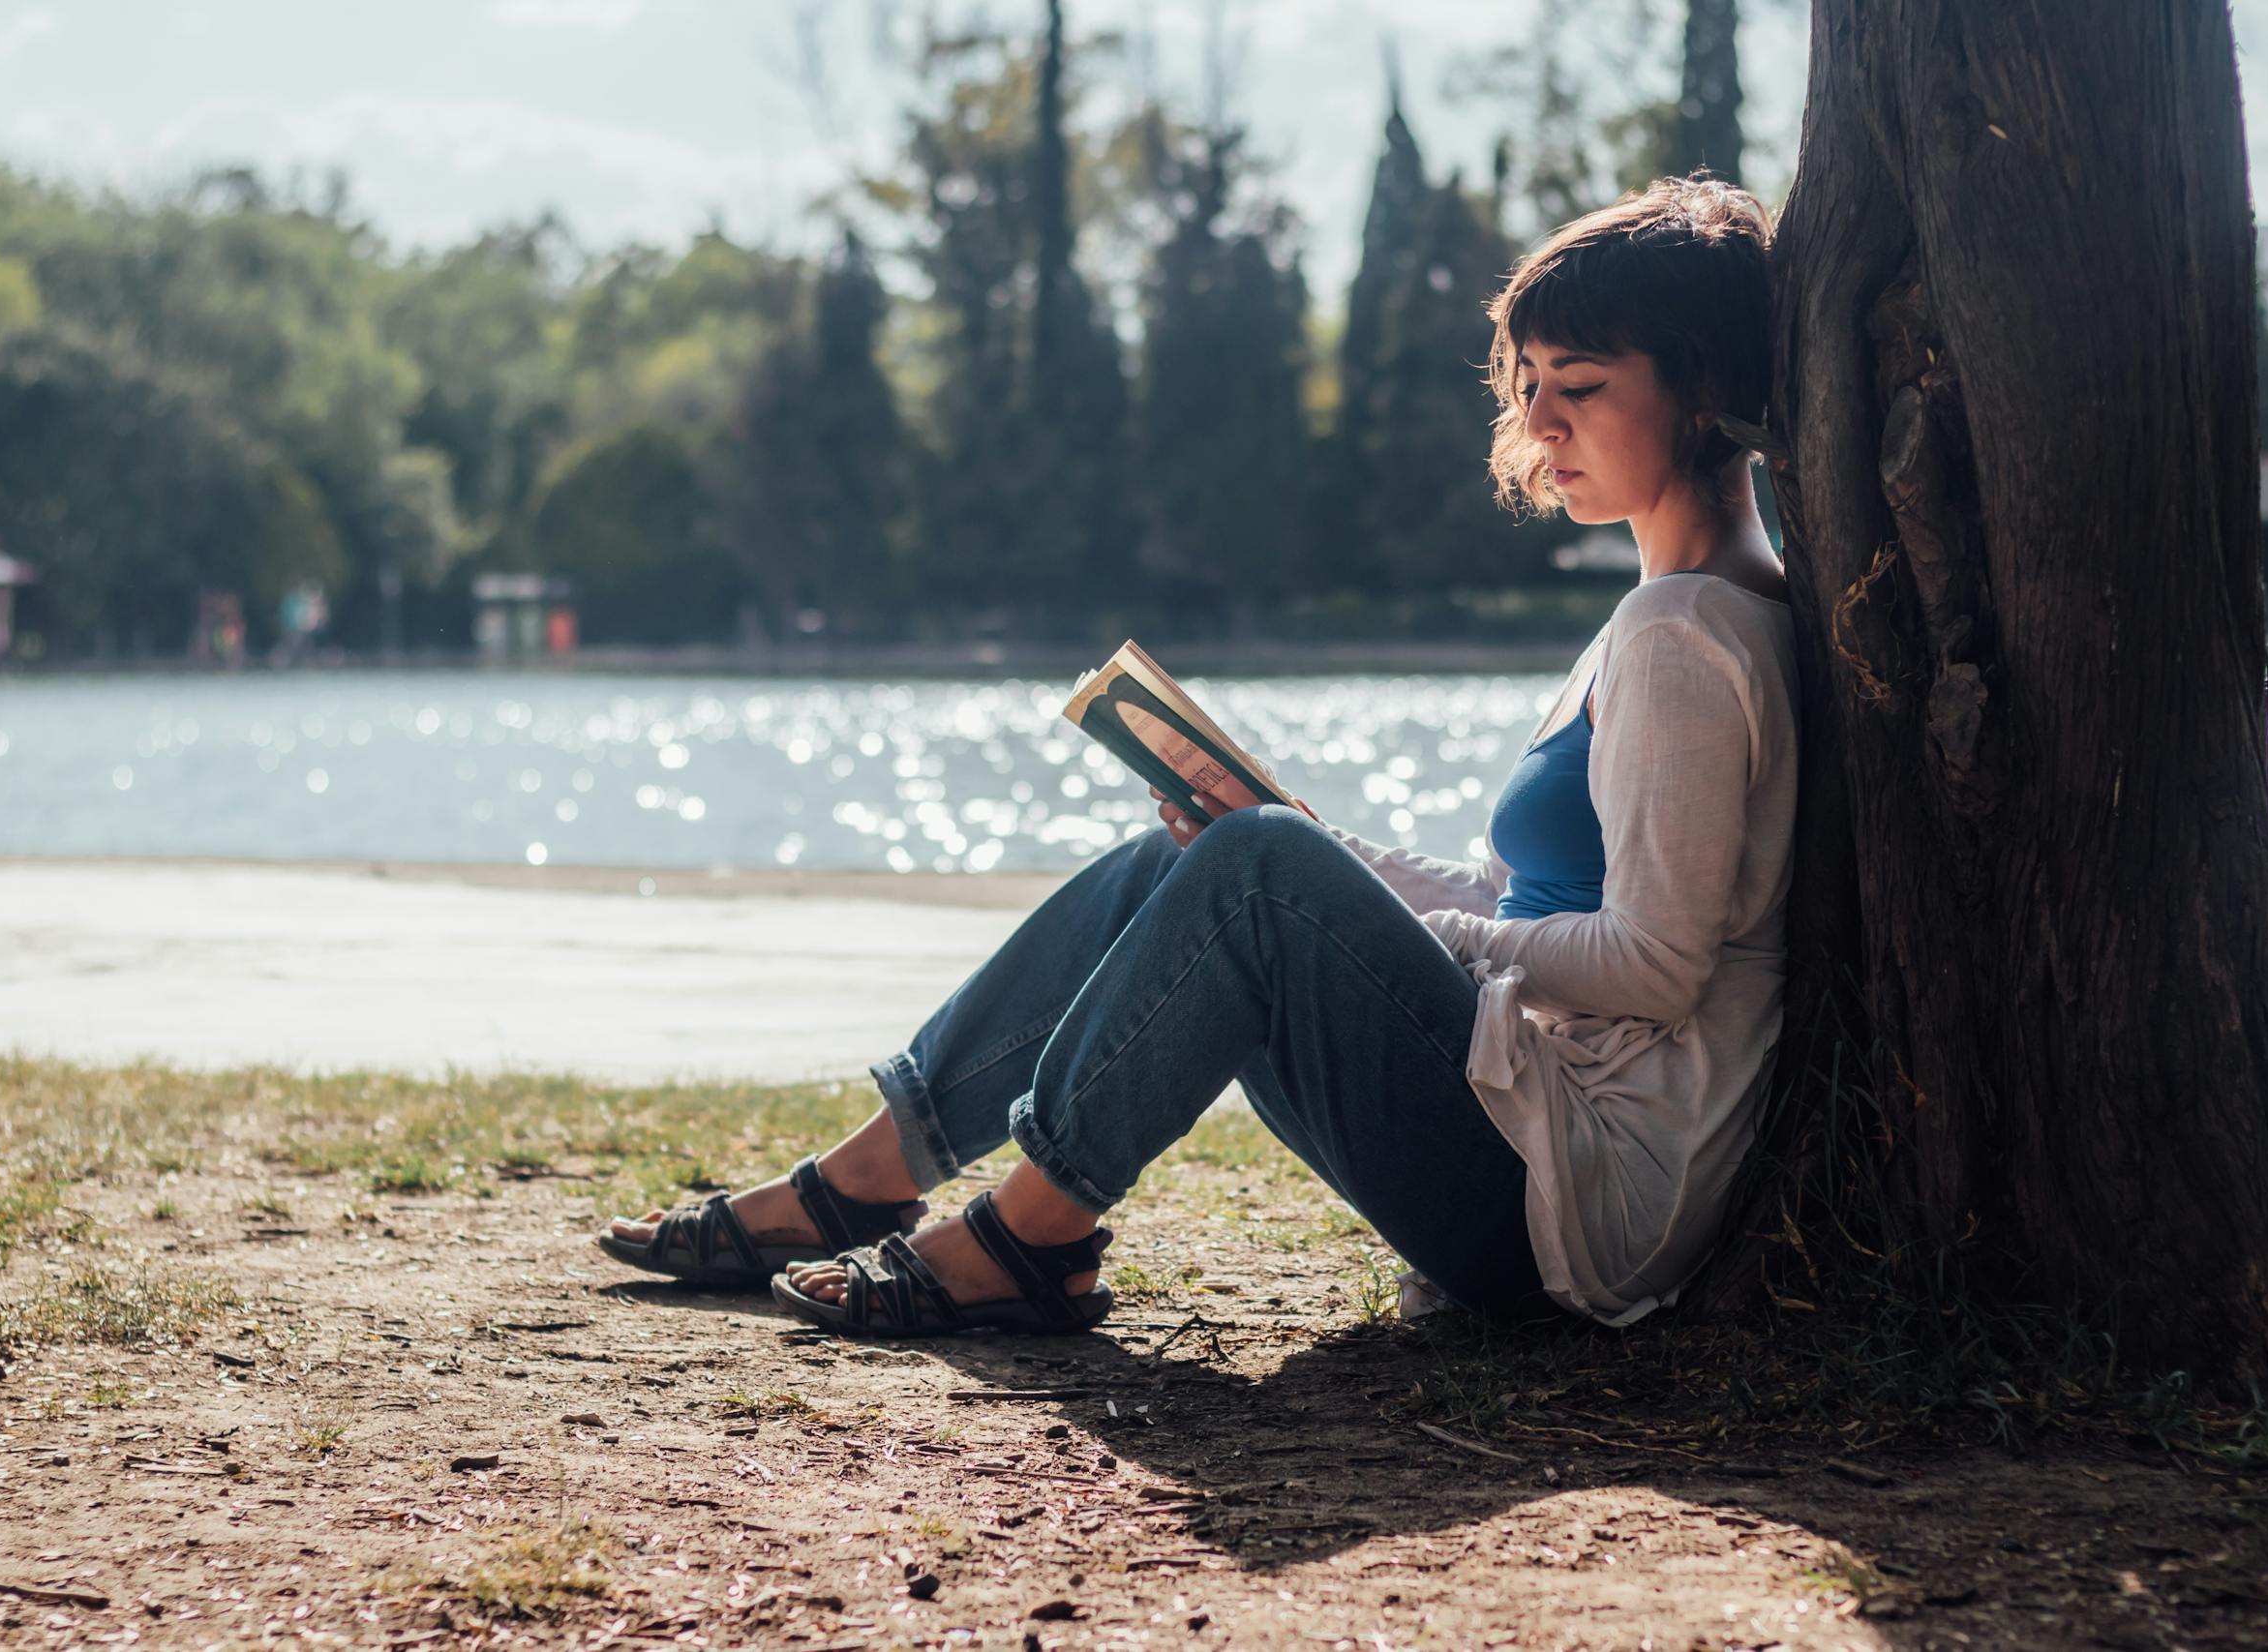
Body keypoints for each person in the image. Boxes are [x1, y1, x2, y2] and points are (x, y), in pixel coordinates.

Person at [595, 173, 1799, 1337]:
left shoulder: (1682, 634)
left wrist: (1382, 927)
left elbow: (1656, 967)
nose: (1539, 423)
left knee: (1257, 868)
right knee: (1200, 857)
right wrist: (1325, 860)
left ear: (1699, 392)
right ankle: (867, 1176)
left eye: (1579, 386)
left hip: (1580, 1207)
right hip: (1527, 1127)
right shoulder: (1657, 617)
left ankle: (1027, 1241)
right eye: (1529, 381)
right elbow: (1522, 899)